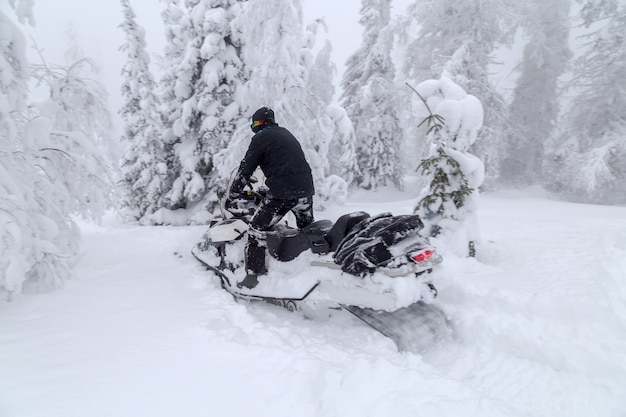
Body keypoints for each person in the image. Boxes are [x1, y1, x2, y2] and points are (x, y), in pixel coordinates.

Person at [228, 107, 315, 289]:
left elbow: (246, 167)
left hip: (284, 191)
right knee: (307, 230)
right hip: (305, 189)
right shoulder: (285, 133)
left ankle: (253, 276)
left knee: (256, 229)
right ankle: (311, 268)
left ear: (258, 123)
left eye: (254, 123)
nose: (253, 127)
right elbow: (286, 164)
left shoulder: (261, 137)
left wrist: (234, 192)